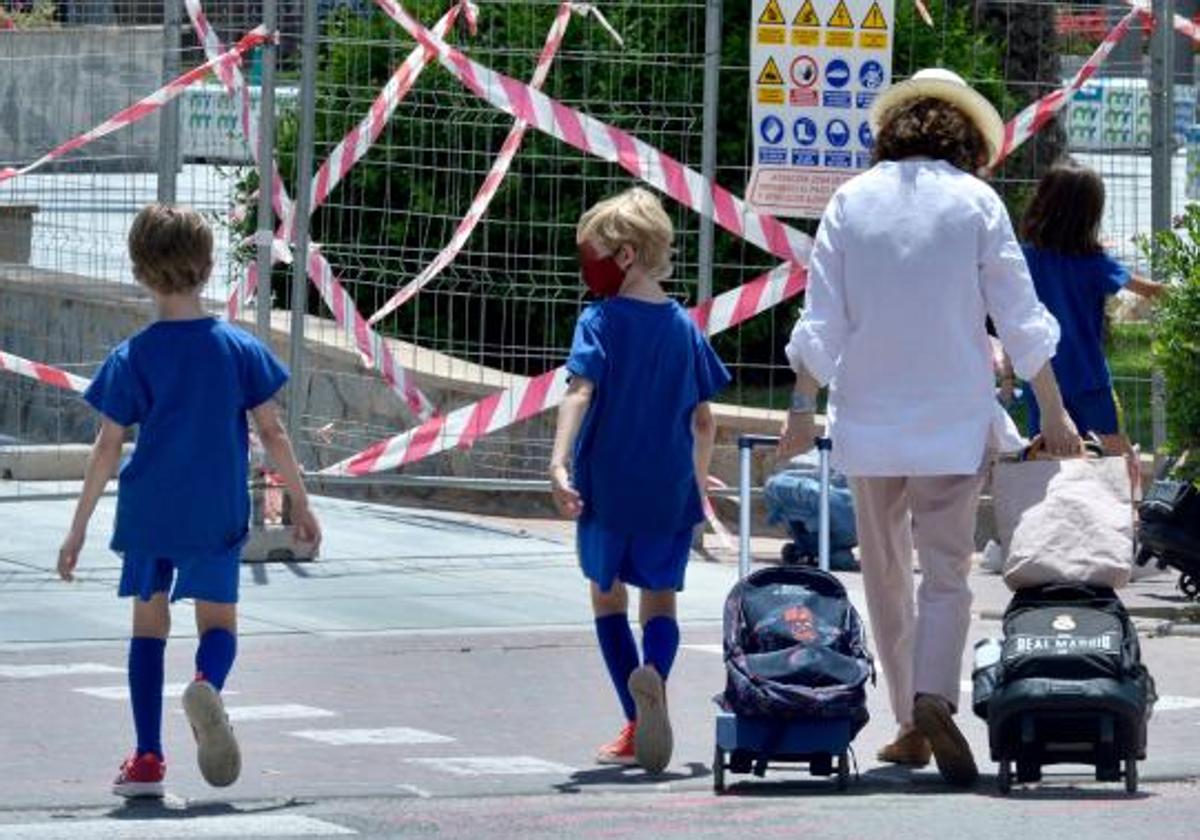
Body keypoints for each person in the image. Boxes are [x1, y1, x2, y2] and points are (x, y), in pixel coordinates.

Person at [779, 68, 1082, 787]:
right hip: (953, 416)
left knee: (884, 573)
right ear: (966, 135)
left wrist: (799, 406)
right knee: (946, 570)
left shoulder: (851, 201)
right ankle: (933, 695)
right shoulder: (977, 202)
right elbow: (1018, 312)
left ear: (894, 128)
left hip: (870, 420)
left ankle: (909, 726)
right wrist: (1055, 409)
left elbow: (823, 316)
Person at [57, 205, 321, 798]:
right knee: (219, 622)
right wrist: (300, 503)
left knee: (147, 629)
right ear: (207, 269)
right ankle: (206, 680)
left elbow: (106, 447)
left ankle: (147, 760)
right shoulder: (237, 348)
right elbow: (273, 433)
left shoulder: (134, 356)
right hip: (216, 508)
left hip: (149, 510)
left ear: (140, 271)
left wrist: (76, 530)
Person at [548, 187, 730, 773]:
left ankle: (634, 713)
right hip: (668, 488)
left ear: (624, 255)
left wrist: (558, 461)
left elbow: (581, 390)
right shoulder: (684, 328)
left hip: (607, 482)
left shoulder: (599, 320)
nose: (588, 267)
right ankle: (655, 677)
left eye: (592, 254)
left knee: (606, 593)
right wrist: (697, 488)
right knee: (661, 599)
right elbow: (705, 421)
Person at [1019, 163, 1166, 484]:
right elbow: (1151, 291)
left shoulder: (1023, 258)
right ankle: (1129, 518)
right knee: (1114, 453)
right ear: (1090, 215)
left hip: (1040, 376)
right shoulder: (1095, 264)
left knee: (1044, 456)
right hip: (1088, 377)